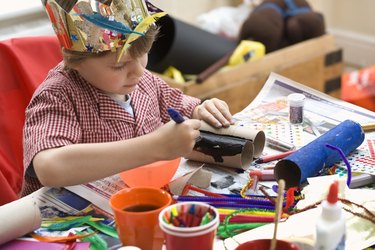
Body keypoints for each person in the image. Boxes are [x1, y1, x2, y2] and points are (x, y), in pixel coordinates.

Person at [22, 0, 234, 195]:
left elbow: (184, 107)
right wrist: (153, 147)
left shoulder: (143, 80)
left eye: (143, 54)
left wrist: (204, 109)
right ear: (74, 61)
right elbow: (49, 167)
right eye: (119, 65)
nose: (139, 72)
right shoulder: (58, 95)